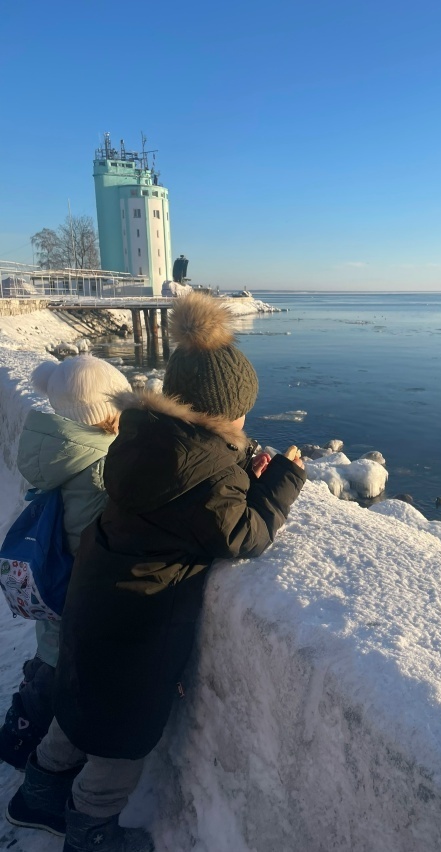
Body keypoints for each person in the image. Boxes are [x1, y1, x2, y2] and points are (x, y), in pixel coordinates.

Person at [6, 293, 306, 852]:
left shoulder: (139, 436)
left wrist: (239, 466)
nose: (245, 422)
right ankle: (90, 832)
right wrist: (281, 481)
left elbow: (189, 486)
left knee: (76, 710)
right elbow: (243, 535)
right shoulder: (207, 475)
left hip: (93, 605)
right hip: (137, 630)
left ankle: (36, 796)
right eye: (239, 414)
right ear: (218, 415)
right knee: (119, 741)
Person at [0, 354, 132, 770]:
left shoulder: (61, 451)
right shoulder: (101, 465)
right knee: (58, 672)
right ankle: (21, 739)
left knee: (50, 653)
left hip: (53, 579)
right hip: (77, 587)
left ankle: (26, 712)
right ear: (105, 412)